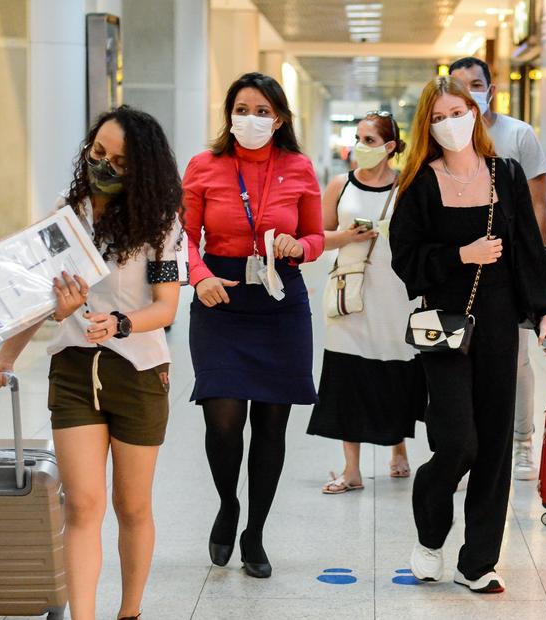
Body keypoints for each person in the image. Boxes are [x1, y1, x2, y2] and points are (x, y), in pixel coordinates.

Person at [0, 106, 184, 620]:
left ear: (144, 169)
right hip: (73, 371)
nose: (104, 167)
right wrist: (6, 354)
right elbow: (38, 295)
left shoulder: (161, 221)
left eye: (119, 161)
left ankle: (130, 612)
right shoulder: (66, 213)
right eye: (98, 154)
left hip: (138, 371)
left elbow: (164, 308)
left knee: (132, 506)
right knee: (82, 504)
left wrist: (119, 322)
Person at [390, 77, 546, 594]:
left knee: (493, 446)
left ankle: (478, 561)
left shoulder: (506, 175)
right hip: (444, 325)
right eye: (438, 117)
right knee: (458, 442)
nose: (450, 123)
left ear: (477, 112)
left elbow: (530, 251)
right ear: (427, 125)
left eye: (458, 111)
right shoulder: (420, 184)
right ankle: (430, 532)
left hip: (499, 324)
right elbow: (406, 260)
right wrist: (459, 256)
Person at [183, 72, 324, 579]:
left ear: (279, 118)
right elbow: (184, 238)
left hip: (280, 300)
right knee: (221, 417)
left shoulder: (299, 167)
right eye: (242, 108)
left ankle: (256, 533)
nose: (251, 118)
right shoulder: (205, 166)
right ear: (229, 115)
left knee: (271, 423)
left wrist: (299, 247)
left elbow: (314, 237)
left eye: (262, 111)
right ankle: (228, 503)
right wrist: (198, 278)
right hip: (219, 299)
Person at [307, 111, 427, 493]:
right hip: (350, 293)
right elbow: (317, 237)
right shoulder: (340, 185)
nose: (361, 147)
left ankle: (398, 449)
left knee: (393, 369)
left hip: (394, 293)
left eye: (370, 140)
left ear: (390, 147)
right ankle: (352, 469)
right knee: (348, 375)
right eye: (359, 138)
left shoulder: (407, 186)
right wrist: (346, 236)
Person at [450, 56, 546, 481]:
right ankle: (464, 448)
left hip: (508, 271)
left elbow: (540, 206)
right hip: (461, 267)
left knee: (515, 359)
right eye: (459, 86)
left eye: (476, 84)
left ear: (490, 90)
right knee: (459, 357)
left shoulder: (518, 135)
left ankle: (523, 441)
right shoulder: (446, 135)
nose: (469, 92)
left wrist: (531, 268)